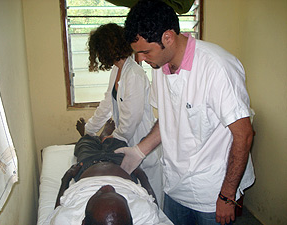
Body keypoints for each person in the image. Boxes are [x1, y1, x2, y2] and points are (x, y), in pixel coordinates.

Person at [115, 1, 255, 225]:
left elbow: (244, 134)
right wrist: (139, 151)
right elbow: (169, 120)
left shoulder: (216, 67)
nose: (140, 59)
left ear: (168, 38)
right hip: (175, 187)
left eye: (144, 51)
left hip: (213, 192)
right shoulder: (159, 66)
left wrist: (227, 196)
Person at [76, 23, 163, 206]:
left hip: (142, 145)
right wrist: (89, 130)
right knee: (132, 197)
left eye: (99, 51)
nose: (98, 56)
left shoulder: (135, 75)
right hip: (126, 143)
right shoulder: (118, 70)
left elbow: (130, 122)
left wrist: (109, 141)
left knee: (152, 201)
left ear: (108, 49)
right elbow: (108, 102)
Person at [44, 120, 172, 225]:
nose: (107, 186)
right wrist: (141, 175)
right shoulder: (143, 214)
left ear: (83, 222)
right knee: (116, 141)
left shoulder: (68, 219)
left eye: (99, 193)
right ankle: (105, 136)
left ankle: (86, 135)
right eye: (115, 193)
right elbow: (153, 205)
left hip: (87, 166)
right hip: (121, 165)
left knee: (83, 145)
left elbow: (56, 211)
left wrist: (66, 178)